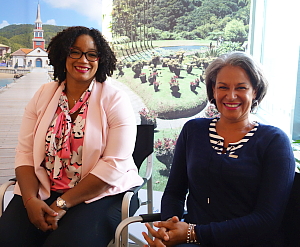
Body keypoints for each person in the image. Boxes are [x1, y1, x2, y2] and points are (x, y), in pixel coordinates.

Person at [0, 26, 143, 247]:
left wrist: (61, 204)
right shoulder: (43, 95)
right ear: (63, 54)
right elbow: (25, 152)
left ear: (100, 59)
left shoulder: (115, 100)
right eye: (74, 52)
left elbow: (114, 166)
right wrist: (29, 201)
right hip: (47, 187)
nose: (83, 59)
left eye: (91, 54)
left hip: (102, 193)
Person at [142, 52, 295, 246]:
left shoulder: (274, 141)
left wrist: (192, 233)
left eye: (241, 88)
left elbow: (267, 220)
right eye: (223, 87)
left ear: (255, 91)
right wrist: (167, 230)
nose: (231, 96)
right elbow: (174, 192)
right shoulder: (193, 130)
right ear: (213, 90)